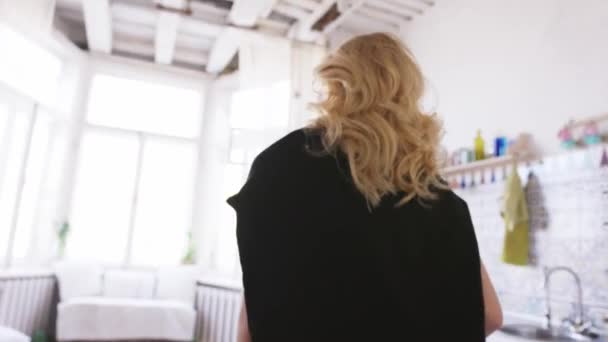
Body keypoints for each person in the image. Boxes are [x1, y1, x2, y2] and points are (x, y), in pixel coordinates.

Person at [228, 32, 502, 342]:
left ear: (336, 83)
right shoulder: (433, 194)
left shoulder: (277, 166)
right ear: (409, 94)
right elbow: (491, 315)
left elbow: (250, 325)